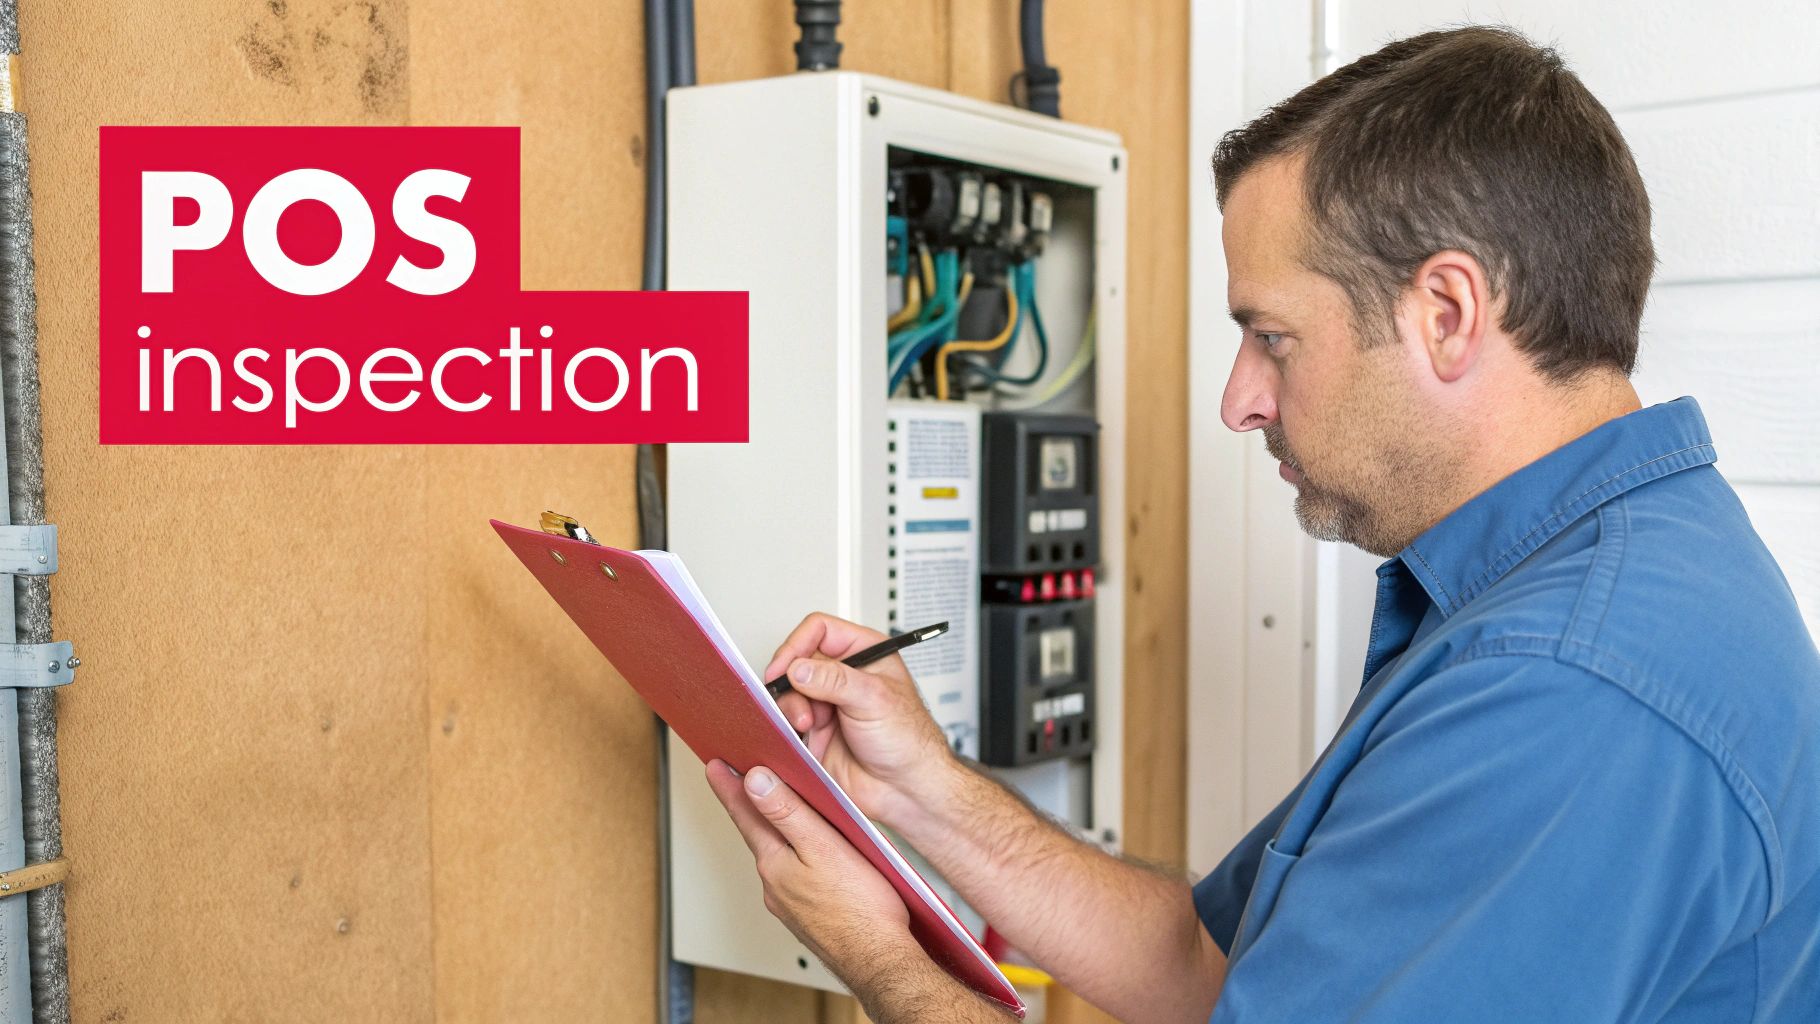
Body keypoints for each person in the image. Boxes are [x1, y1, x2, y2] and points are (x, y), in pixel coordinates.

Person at [704, 26, 1820, 1023]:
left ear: (1443, 313)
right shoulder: (1565, 584)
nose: (1237, 398)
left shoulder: (1565, 691)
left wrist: (875, 950)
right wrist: (919, 791)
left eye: (1271, 336)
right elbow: (1208, 964)